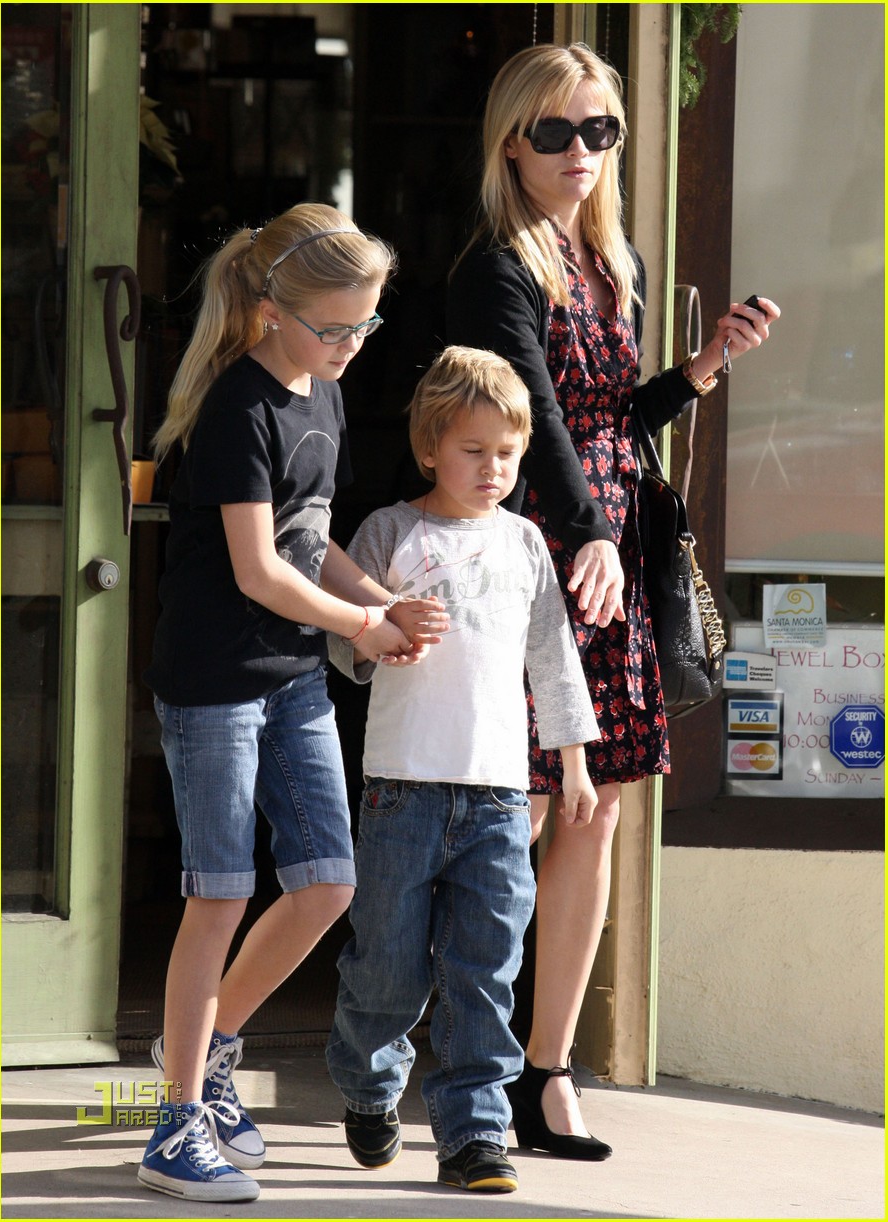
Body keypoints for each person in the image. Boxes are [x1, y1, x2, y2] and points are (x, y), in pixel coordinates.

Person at [446, 42, 780, 1160]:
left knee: (598, 810)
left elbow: (604, 418)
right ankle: (473, 1071)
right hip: (533, 557)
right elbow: (532, 419)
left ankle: (546, 1071)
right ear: (511, 144)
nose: (580, 150)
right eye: (555, 131)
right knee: (518, 815)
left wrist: (697, 369)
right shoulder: (498, 268)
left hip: (606, 556)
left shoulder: (611, 258)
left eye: (600, 130)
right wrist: (587, 531)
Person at [138, 202, 448, 1203]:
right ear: (272, 310)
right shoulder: (237, 406)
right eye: (334, 327)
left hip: (292, 679)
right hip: (216, 685)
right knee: (220, 894)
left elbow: (310, 541)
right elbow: (258, 569)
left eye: (367, 325)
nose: (352, 345)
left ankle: (208, 1048)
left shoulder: (324, 391)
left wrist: (380, 601)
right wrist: (361, 626)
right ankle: (175, 1124)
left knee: (326, 883)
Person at [324, 346, 600, 1194]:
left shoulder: (524, 542)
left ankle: (476, 1134)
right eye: (474, 450)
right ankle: (370, 1085)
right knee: (387, 966)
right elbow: (344, 646)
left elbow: (553, 657)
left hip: (500, 799)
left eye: (508, 453)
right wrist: (381, 633)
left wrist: (574, 763)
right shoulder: (388, 532)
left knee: (486, 971)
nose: (494, 469)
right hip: (401, 790)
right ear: (429, 448)